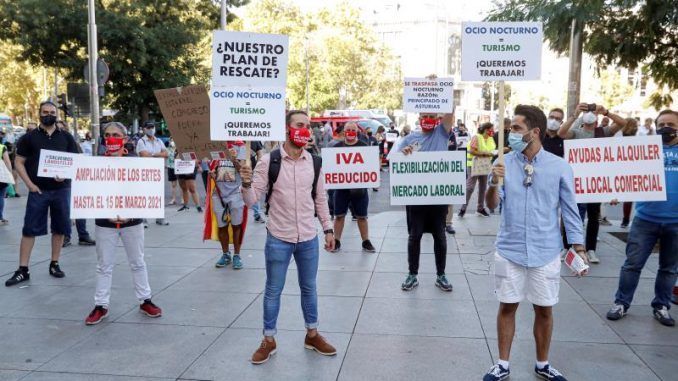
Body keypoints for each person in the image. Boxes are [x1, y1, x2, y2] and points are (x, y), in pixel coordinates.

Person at [483, 105, 587, 381]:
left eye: (516, 128)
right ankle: (502, 364)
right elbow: (490, 206)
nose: (511, 134)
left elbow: (570, 209)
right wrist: (494, 182)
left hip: (546, 251)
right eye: (511, 128)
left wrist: (579, 247)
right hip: (509, 250)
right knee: (507, 306)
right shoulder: (503, 163)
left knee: (544, 308)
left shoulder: (560, 166)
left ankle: (543, 364)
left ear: (535, 132)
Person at [239, 110, 337, 365]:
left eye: (307, 125)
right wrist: (246, 184)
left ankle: (312, 335)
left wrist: (328, 229)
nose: (304, 130)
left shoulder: (314, 162)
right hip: (278, 238)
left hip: (308, 238)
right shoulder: (268, 161)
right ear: (286, 128)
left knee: (309, 288)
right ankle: (268, 339)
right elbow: (251, 202)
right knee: (273, 290)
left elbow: (320, 199)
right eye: (299, 125)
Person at [84, 122, 162, 325]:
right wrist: (104, 212)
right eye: (107, 135)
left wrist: (131, 213)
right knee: (104, 266)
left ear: (125, 139)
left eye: (116, 135)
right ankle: (101, 305)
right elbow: (90, 194)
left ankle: (145, 300)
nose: (111, 138)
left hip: (132, 222)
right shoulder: (95, 165)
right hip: (104, 223)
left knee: (138, 262)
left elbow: (146, 193)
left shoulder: (136, 163)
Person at [606, 109, 678, 327]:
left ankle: (661, 306)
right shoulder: (643, 150)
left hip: (676, 222)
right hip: (646, 218)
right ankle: (621, 303)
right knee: (632, 264)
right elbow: (624, 175)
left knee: (669, 268)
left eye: (671, 124)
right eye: (662, 123)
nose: (666, 127)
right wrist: (615, 191)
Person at [5, 102, 79, 287]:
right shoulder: (28, 138)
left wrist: (66, 175)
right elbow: (19, 162)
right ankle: (23, 269)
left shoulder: (67, 138)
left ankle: (54, 263)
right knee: (29, 229)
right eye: (45, 112)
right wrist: (29, 184)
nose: (48, 115)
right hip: (38, 190)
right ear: (39, 114)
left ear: (57, 114)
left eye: (52, 112)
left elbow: (76, 162)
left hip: (61, 190)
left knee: (60, 228)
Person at [393, 107, 455, 293]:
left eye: (431, 116)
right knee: (415, 236)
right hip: (416, 198)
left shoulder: (442, 133)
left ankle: (441, 275)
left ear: (437, 118)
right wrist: (403, 155)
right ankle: (412, 275)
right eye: (424, 116)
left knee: (440, 236)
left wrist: (440, 92)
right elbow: (396, 163)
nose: (427, 119)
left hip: (437, 197)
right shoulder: (410, 139)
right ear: (418, 118)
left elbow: (450, 112)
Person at [558, 103, 626, 264]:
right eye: (587, 111)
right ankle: (568, 247)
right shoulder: (576, 132)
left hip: (595, 183)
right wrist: (575, 114)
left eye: (592, 111)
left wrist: (607, 112)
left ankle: (590, 249)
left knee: (593, 217)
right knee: (574, 215)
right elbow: (561, 133)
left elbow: (623, 123)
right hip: (577, 182)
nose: (590, 113)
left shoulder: (603, 132)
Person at [331, 121, 376, 253]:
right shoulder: (336, 147)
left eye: (353, 129)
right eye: (348, 129)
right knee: (339, 216)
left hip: (359, 188)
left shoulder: (364, 146)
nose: (350, 132)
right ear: (344, 131)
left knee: (362, 216)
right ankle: (337, 240)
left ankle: (366, 241)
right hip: (341, 189)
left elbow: (369, 166)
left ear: (357, 132)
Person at [56, 121, 96, 248]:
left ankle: (83, 235)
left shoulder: (73, 143)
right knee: (66, 210)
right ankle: (66, 236)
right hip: (61, 183)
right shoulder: (52, 145)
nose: (60, 131)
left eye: (62, 128)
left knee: (80, 209)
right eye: (58, 129)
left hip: (76, 180)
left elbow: (80, 160)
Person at [212, 141, 247, 270]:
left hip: (236, 192)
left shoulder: (241, 146)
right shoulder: (216, 145)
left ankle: (237, 255)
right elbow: (212, 166)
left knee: (236, 225)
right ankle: (225, 254)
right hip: (219, 192)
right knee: (222, 226)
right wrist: (212, 173)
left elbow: (243, 170)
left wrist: (233, 159)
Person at [136, 121, 171, 225]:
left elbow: (166, 154)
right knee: (145, 195)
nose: (151, 129)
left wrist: (152, 154)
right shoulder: (141, 141)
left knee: (159, 195)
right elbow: (143, 155)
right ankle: (143, 219)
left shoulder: (159, 140)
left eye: (152, 127)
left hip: (158, 172)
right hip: (145, 172)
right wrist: (159, 154)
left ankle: (160, 218)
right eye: (149, 127)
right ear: (144, 129)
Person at [459, 122, 496, 218]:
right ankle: (463, 208)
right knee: (470, 187)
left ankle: (480, 208)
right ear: (486, 129)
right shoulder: (477, 137)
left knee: (483, 187)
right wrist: (485, 154)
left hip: (485, 164)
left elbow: (491, 150)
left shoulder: (490, 139)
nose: (493, 131)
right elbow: (472, 150)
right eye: (491, 129)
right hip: (474, 164)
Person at [445, 128, 458, 234]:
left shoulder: (451, 134)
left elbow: (453, 147)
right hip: (430, 173)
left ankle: (448, 223)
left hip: (447, 169)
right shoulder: (426, 134)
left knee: (449, 197)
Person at [249, 140, 266, 223]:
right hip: (235, 171)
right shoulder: (233, 139)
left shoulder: (254, 139)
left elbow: (259, 153)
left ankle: (257, 214)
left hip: (251, 169)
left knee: (253, 192)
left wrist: (257, 167)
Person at [0, 135, 12, 225]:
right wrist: (10, 174)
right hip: (1, 175)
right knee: (0, 196)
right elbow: (7, 162)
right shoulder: (2, 147)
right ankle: (0, 218)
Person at [166, 138, 178, 205]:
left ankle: (183, 199)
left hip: (179, 167)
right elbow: (165, 156)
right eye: (171, 140)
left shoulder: (179, 149)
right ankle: (173, 199)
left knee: (182, 184)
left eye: (173, 140)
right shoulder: (167, 149)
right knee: (173, 185)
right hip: (170, 167)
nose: (172, 141)